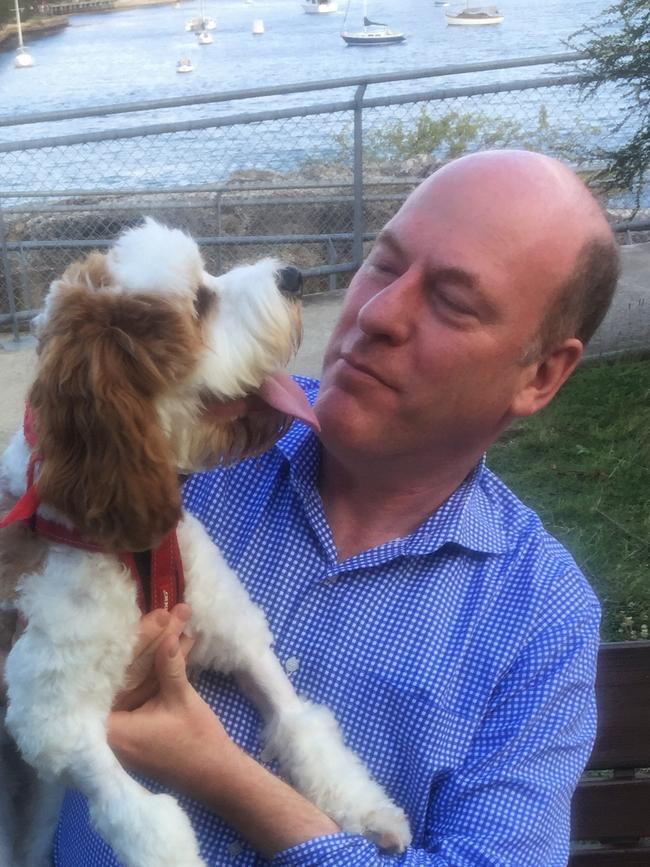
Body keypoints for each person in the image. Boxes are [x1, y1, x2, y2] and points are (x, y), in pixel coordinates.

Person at [53, 149, 620, 866]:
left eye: (451, 300)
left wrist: (223, 775)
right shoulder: (178, 433)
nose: (377, 312)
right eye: (383, 264)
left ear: (540, 375)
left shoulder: (541, 619)